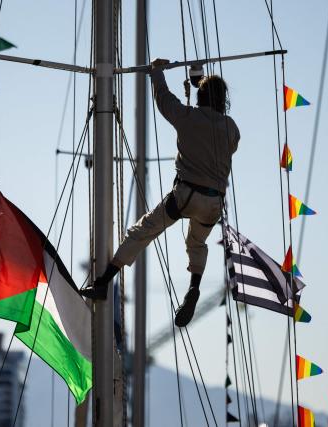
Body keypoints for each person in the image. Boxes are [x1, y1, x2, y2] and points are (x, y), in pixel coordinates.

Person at [80, 58, 240, 327]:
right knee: (196, 244)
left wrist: (156, 73)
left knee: (143, 232)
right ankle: (193, 287)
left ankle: (104, 282)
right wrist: (200, 83)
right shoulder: (231, 129)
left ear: (200, 97)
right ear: (223, 100)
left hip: (185, 195)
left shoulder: (187, 118)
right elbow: (209, 118)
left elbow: (165, 101)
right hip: (213, 202)